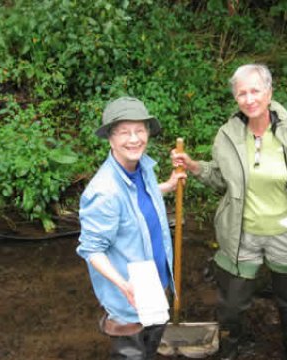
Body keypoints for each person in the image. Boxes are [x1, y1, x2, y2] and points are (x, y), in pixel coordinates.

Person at [171, 64, 287, 360]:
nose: (249, 98)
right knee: (231, 305)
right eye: (241, 93)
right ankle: (230, 350)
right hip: (241, 233)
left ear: (269, 93)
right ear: (235, 97)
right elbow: (222, 179)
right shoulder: (227, 135)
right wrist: (194, 166)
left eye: (255, 90)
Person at [77, 97, 185, 359]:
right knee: (133, 354)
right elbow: (92, 250)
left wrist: (167, 186)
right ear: (110, 139)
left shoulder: (143, 168)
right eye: (124, 132)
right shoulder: (103, 192)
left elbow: (136, 200)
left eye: (140, 130)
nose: (134, 139)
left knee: (150, 348)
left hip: (157, 286)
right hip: (129, 299)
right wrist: (124, 286)